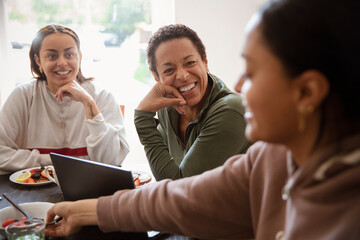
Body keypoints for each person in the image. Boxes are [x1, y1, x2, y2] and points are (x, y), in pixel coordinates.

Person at [45, 0, 360, 239]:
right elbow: (179, 198)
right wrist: (85, 211)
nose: (238, 85)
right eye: (168, 69)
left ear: (306, 92)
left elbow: (179, 187)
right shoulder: (270, 158)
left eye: (252, 72)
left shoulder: (346, 216)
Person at [0, 24, 129, 175]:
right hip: (33, 192)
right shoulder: (23, 95)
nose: (62, 63)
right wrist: (55, 163)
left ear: (79, 56)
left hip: (92, 192)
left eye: (69, 55)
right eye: (52, 56)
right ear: (38, 60)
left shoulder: (102, 97)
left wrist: (89, 104)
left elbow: (112, 161)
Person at [135, 24, 251, 180]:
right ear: (157, 78)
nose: (182, 75)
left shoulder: (231, 110)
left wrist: (142, 117)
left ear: (205, 62)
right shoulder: (168, 108)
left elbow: (178, 188)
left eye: (190, 63)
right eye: (169, 70)